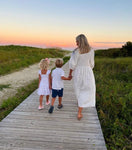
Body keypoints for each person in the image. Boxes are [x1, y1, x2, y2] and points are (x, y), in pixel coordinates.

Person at [68, 34, 96, 120]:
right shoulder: (91, 50)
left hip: (79, 71)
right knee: (88, 89)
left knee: (78, 88)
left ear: (81, 41)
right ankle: (81, 106)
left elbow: (72, 64)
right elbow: (92, 64)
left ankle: (79, 110)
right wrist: (87, 69)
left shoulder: (76, 51)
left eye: (77, 41)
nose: (76, 43)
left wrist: (70, 74)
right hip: (88, 72)